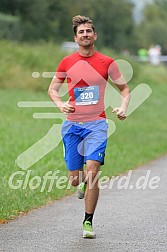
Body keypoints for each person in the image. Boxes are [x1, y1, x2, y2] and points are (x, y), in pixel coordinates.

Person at [48, 15, 130, 239]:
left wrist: (123, 107)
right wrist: (60, 103)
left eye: (88, 31)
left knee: (93, 171)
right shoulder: (67, 62)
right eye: (81, 32)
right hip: (73, 126)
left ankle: (88, 221)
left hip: (97, 124)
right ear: (76, 38)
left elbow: (125, 89)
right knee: (75, 179)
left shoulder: (107, 62)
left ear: (95, 35)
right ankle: (80, 180)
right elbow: (52, 89)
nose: (85, 35)